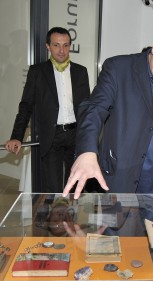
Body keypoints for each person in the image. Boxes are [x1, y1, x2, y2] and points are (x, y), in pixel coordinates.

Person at [62, 22, 153, 199]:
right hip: (120, 177)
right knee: (117, 227)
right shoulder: (119, 68)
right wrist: (87, 151)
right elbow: (93, 109)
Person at [5, 27, 90, 193]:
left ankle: (71, 218)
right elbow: (26, 106)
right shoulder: (37, 72)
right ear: (48, 46)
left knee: (75, 186)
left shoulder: (81, 72)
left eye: (66, 45)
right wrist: (16, 136)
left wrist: (89, 137)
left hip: (76, 135)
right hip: (52, 137)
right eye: (57, 45)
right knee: (54, 189)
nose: (61, 50)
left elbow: (87, 108)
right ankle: (55, 219)